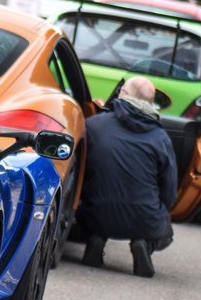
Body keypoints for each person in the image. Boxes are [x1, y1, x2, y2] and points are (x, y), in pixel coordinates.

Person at [75, 76, 177, 277]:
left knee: (90, 207)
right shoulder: (160, 138)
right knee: (165, 230)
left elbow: (78, 169)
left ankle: (95, 239)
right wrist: (161, 208)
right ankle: (144, 243)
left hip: (95, 214)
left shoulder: (94, 125)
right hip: (144, 219)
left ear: (124, 94)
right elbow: (169, 190)